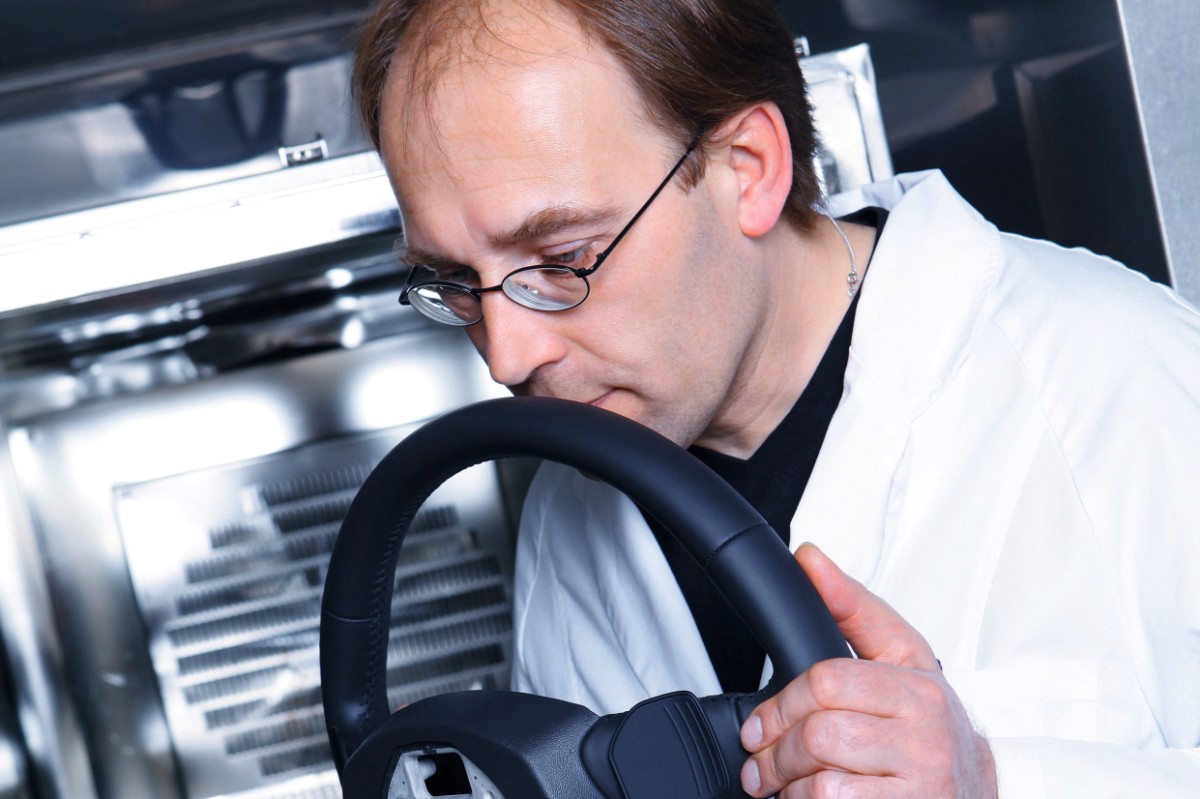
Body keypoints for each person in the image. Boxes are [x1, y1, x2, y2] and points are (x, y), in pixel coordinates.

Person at [352, 0, 1200, 795]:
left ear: (748, 169)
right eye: (455, 280)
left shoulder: (1114, 374)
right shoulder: (566, 510)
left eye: (563, 256)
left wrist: (994, 777)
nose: (507, 356)